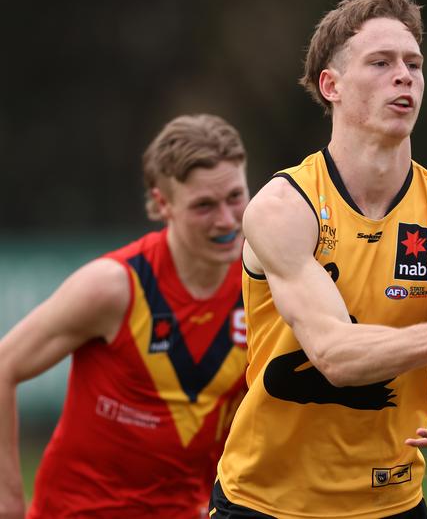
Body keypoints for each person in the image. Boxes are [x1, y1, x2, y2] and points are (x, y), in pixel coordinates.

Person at [211, 0, 427, 518]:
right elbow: (334, 355)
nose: (404, 75)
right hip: (265, 503)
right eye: (381, 62)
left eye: (414, 63)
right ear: (332, 86)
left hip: (390, 504)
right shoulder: (283, 208)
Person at [0, 114, 251, 519]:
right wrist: (7, 501)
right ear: (162, 203)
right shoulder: (115, 287)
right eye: (204, 205)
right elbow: (3, 365)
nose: (226, 220)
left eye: (236, 197)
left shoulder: (261, 286)